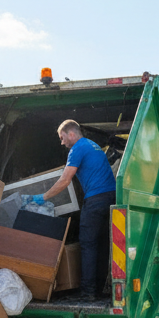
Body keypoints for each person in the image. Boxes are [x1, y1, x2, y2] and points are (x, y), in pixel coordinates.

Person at [25, 119, 117, 300]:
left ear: (72, 134)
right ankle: (98, 290)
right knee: (101, 244)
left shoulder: (78, 148)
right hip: (110, 198)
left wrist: (42, 197)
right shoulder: (93, 145)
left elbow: (65, 180)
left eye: (62, 137)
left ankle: (88, 292)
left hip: (95, 200)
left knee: (87, 244)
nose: (62, 142)